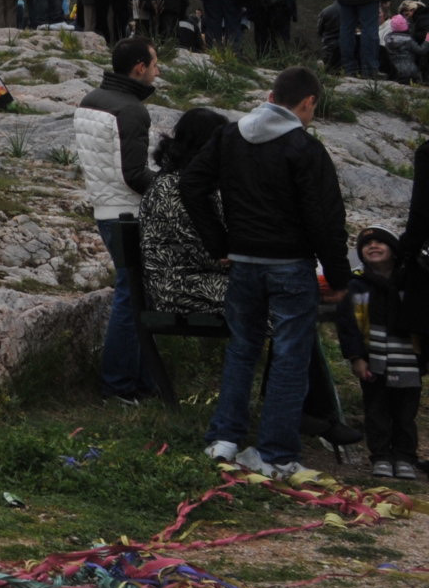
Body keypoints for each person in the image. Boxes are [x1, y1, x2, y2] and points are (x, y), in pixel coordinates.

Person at [181, 66, 351, 479]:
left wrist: (220, 243)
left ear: (271, 94)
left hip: (243, 264)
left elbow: (192, 185)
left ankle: (224, 439)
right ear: (307, 102)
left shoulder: (229, 136)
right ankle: (274, 454)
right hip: (291, 266)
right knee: (291, 358)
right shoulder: (304, 149)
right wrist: (340, 276)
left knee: (242, 349)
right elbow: (325, 220)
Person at [76, 36, 163, 402]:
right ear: (139, 68)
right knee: (132, 298)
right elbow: (133, 174)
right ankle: (118, 385)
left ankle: (143, 382)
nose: (158, 71)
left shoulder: (91, 100)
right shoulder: (131, 111)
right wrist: (170, 189)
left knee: (136, 295)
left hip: (103, 208)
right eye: (155, 64)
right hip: (128, 214)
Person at [335, 228, 422, 479]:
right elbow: (347, 325)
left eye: (379, 242)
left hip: (408, 360)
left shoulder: (412, 283)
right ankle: (381, 456)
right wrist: (356, 357)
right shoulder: (356, 284)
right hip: (373, 359)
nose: (372, 246)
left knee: (406, 413)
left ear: (394, 251)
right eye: (366, 244)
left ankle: (405, 457)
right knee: (376, 410)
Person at [137, 106, 233, 313]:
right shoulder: (173, 189)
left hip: (198, 278)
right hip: (178, 286)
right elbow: (207, 253)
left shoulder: (188, 181)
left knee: (284, 297)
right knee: (278, 301)